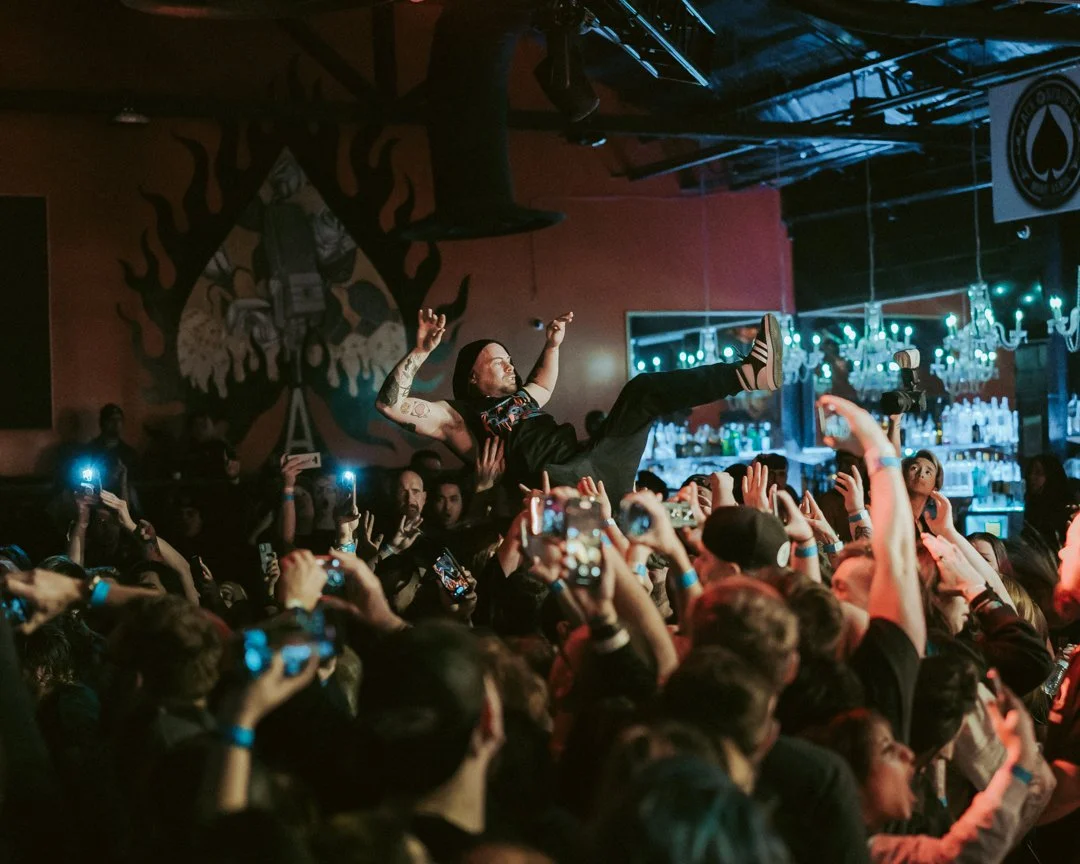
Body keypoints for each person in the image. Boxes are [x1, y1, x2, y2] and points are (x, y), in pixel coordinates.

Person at [375, 308, 782, 503]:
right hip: (560, 481)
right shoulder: (458, 417)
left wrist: (552, 344)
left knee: (642, 391)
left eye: (509, 359)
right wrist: (420, 351)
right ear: (473, 379)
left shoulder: (521, 400)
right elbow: (391, 405)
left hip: (594, 460)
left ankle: (749, 374)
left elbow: (542, 382)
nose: (509, 365)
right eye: (498, 363)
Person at [1025, 453, 1074, 549]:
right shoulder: (1034, 506)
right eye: (1030, 472)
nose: (1031, 477)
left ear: (1051, 476)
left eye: (1038, 473)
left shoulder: (1065, 511)